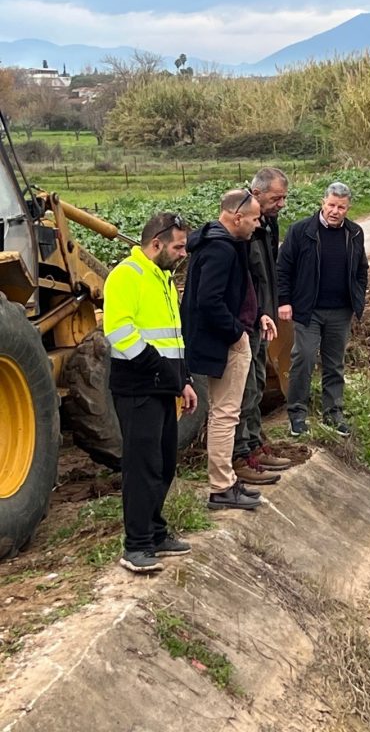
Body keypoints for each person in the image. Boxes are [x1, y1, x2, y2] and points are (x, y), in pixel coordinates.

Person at [104, 212, 198, 574]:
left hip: (163, 386)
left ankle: (156, 532)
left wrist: (183, 380)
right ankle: (137, 545)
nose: (183, 254)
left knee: (163, 462)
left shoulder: (163, 278)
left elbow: (173, 336)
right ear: (156, 243)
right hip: (137, 387)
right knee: (142, 467)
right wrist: (159, 368)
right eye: (178, 247)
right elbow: (118, 331)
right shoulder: (127, 275)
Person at [181, 189, 277, 510]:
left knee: (224, 412)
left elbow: (233, 292)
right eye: (254, 219)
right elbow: (209, 301)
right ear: (237, 218)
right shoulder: (220, 250)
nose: (257, 224)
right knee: (225, 414)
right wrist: (236, 333)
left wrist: (256, 314)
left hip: (226, 338)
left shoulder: (219, 242)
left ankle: (226, 482)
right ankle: (222, 486)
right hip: (226, 343)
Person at [278, 181, 368, 437]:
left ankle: (333, 413)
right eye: (331, 205)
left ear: (348, 208)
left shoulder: (355, 233)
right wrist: (284, 301)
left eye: (341, 207)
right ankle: (297, 414)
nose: (335, 211)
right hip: (309, 310)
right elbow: (283, 268)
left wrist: (358, 297)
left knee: (334, 363)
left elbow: (362, 269)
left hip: (341, 311)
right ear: (322, 203)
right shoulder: (301, 231)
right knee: (304, 358)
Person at [231, 168, 292, 487]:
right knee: (244, 386)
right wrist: (252, 315)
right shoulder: (243, 227)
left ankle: (254, 444)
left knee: (256, 381)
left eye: (284, 198)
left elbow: (269, 272)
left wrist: (270, 310)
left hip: (261, 318)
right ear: (256, 194)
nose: (281, 204)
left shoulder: (268, 224)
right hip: (246, 320)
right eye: (276, 198)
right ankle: (241, 454)